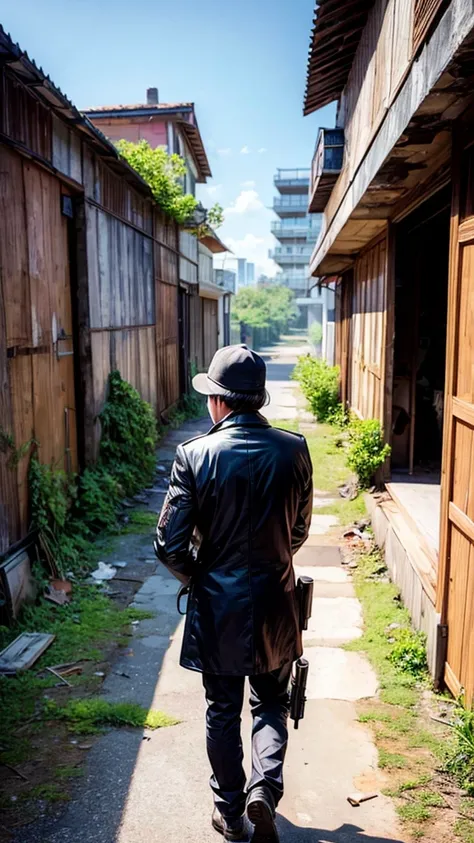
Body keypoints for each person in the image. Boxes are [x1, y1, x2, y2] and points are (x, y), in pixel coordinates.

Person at [155, 344, 313, 842]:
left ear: (219, 401)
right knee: (270, 702)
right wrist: (270, 562)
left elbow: (167, 545)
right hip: (275, 602)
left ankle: (230, 810)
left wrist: (199, 578)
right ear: (257, 398)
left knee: (221, 710)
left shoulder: (193, 455)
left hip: (217, 607)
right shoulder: (294, 449)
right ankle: (264, 789)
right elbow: (298, 531)